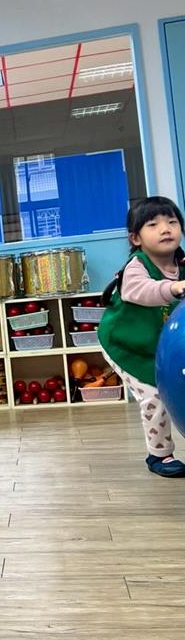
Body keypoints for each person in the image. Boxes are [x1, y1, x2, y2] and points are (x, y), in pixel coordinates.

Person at [98, 196, 185, 478]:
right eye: (153, 224)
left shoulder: (181, 263)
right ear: (135, 238)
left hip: (158, 346)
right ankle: (159, 454)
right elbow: (141, 291)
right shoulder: (136, 266)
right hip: (126, 345)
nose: (165, 228)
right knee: (154, 396)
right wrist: (172, 289)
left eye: (172, 222)